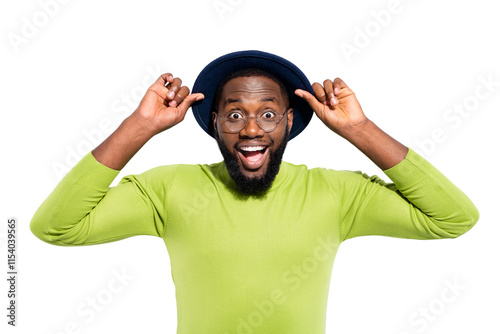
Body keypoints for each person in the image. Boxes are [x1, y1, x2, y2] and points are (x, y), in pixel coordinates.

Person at [31, 50, 479, 334]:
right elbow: (56, 228)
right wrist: (139, 127)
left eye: (268, 115)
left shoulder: (335, 193)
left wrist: (360, 130)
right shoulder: (167, 188)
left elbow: (454, 218)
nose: (251, 129)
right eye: (234, 114)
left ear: (288, 123)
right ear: (214, 124)